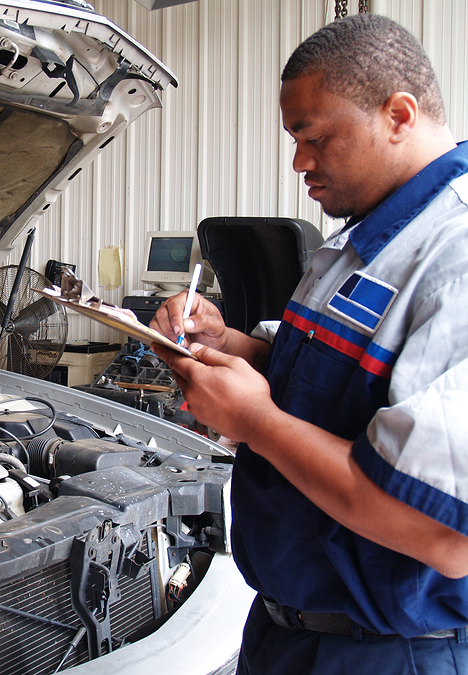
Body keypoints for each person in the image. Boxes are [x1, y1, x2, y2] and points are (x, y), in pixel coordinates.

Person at [150, 13, 468, 675]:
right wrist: (225, 341)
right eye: (294, 139)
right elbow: (327, 387)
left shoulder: (455, 256)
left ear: (399, 115)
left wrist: (255, 423)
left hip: (388, 655)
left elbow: (442, 531)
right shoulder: (361, 240)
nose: (299, 162)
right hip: (284, 633)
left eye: (314, 137)